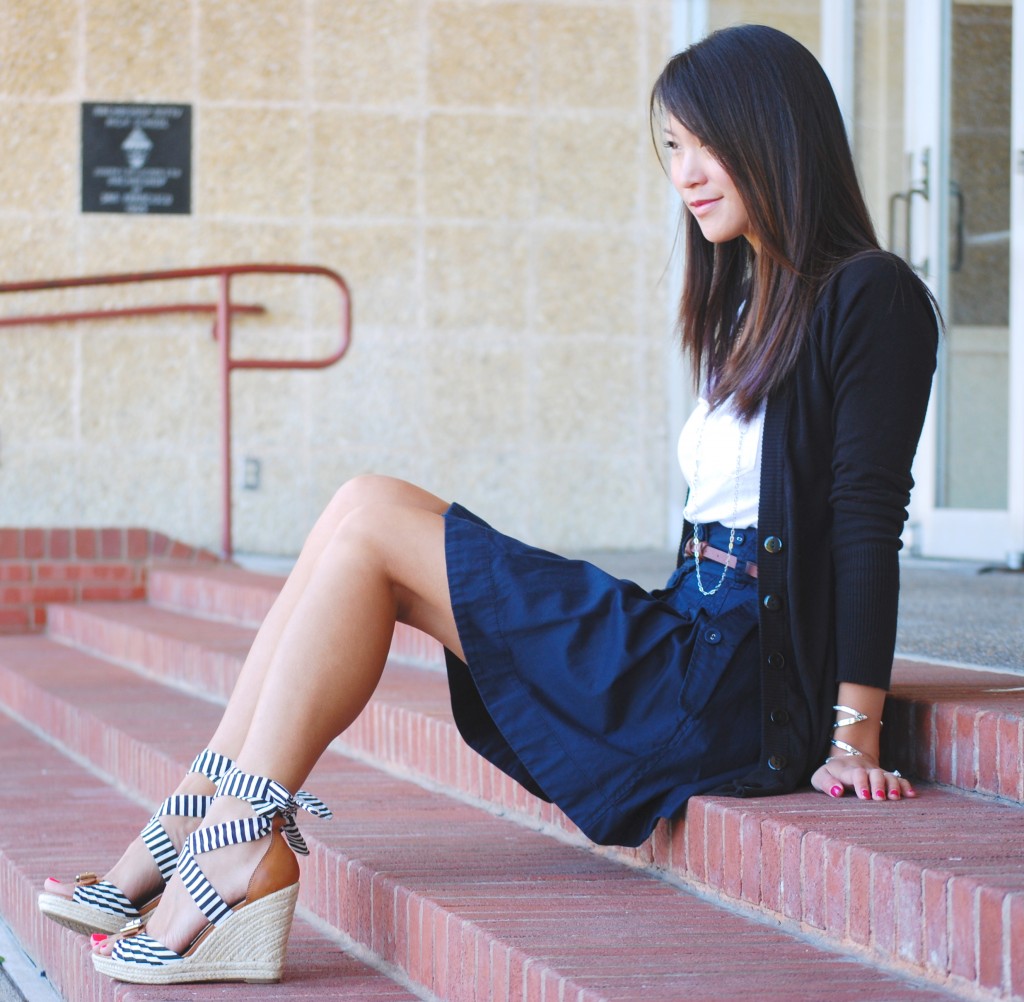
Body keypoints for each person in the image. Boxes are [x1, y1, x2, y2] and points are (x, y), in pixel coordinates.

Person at [38, 23, 939, 985]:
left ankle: (220, 844)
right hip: (689, 639)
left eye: (706, 143)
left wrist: (854, 737)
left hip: (728, 695)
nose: (686, 170)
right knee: (360, 508)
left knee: (374, 520)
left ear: (776, 135)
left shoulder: (870, 296)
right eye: (671, 147)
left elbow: (863, 523)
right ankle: (199, 828)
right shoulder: (751, 301)